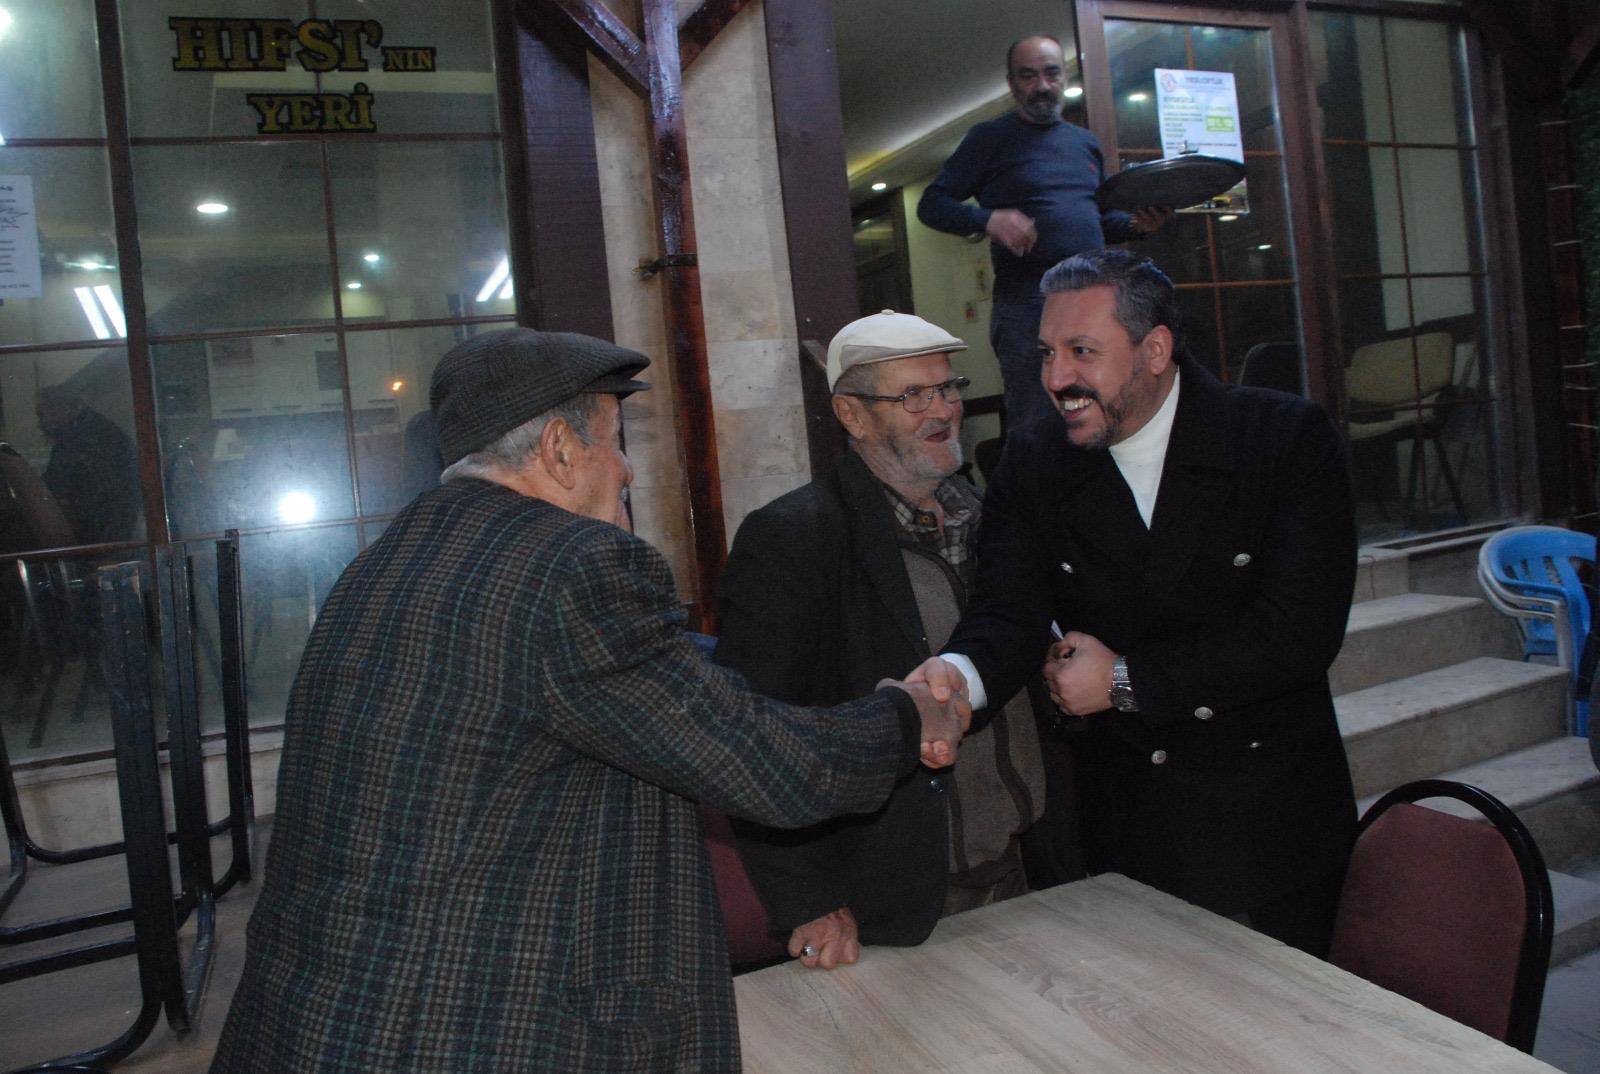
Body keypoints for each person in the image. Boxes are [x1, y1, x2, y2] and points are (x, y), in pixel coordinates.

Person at [208, 328, 969, 1074]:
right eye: (614, 442)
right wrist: (906, 714)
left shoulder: (385, 560)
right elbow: (764, 766)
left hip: (317, 1018)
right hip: (461, 1028)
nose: (628, 470)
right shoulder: (572, 564)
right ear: (559, 450)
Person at [921, 249, 1358, 958]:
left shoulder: (1282, 439)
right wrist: (954, 681)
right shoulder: (1033, 460)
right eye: (1047, 353)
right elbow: (1007, 608)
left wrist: (1125, 681)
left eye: (1082, 351)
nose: (1056, 378)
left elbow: (1297, 635)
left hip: (1270, 826)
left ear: (1155, 350)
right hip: (1125, 829)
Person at [715, 311, 1048, 970]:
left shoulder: (993, 518)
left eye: (948, 388)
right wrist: (807, 898)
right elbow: (749, 737)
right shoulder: (794, 539)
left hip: (1026, 873)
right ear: (853, 415)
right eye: (913, 396)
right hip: (892, 904)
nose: (943, 410)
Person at [917, 34, 1171, 432]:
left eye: (1051, 74)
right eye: (1028, 76)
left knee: (1102, 411)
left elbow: (1094, 219)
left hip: (1094, 297)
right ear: (1012, 83)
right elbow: (931, 205)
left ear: (1064, 77)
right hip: (1028, 303)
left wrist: (1136, 227)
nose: (1042, 86)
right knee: (1037, 421)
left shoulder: (1084, 143)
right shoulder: (989, 138)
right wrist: (988, 220)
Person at [35, 384, 140, 544]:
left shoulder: (80, 438)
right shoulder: (92, 430)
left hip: (102, 527)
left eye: (43, 414)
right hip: (111, 523)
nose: (42, 421)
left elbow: (59, 483)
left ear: (63, 408)